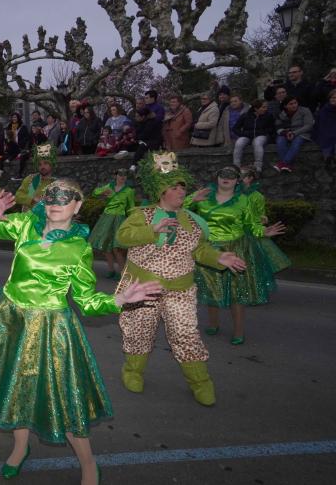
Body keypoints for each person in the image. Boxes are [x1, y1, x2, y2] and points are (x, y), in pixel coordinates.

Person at [0, 180, 162, 483]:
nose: (56, 203)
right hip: (9, 317)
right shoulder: (26, 224)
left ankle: (88, 463)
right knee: (15, 387)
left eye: (65, 198)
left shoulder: (79, 248)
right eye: (51, 197)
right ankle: (20, 448)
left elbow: (86, 301)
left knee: (63, 396)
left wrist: (119, 299)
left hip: (50, 327)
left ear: (77, 206)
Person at [115, 153, 246, 406]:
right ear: (161, 191)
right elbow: (122, 237)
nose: (179, 192)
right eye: (174, 187)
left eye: (182, 187)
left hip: (181, 290)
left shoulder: (193, 221)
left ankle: (201, 382)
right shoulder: (141, 215)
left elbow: (199, 250)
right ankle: (132, 371)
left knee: (185, 335)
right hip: (143, 289)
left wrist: (219, 258)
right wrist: (151, 230)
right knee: (138, 333)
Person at [187, 166, 285, 345]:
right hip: (208, 250)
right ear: (217, 177)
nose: (226, 178)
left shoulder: (243, 201)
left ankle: (238, 331)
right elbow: (178, 211)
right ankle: (213, 323)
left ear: (237, 180)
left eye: (231, 176)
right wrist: (191, 199)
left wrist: (263, 231)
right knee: (211, 287)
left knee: (236, 293)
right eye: (222, 174)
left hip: (235, 249)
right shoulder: (203, 196)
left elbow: (251, 225)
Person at [239, 166, 291, 275]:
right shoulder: (232, 194)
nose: (238, 178)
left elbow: (261, 216)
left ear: (249, 179)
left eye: (241, 176)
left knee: (251, 264)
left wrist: (261, 222)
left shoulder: (258, 197)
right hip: (235, 231)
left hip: (250, 232)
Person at [88, 168, 135, 279]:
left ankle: (123, 273)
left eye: (125, 175)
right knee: (105, 245)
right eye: (120, 174)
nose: (122, 177)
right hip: (107, 218)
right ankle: (111, 269)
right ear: (116, 176)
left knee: (117, 247)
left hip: (119, 219)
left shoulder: (129, 191)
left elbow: (131, 207)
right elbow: (94, 193)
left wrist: (133, 220)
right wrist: (103, 192)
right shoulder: (109, 186)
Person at [273, 96, 315, 173]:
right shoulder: (281, 114)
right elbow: (277, 127)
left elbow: (309, 125)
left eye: (295, 103)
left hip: (302, 133)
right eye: (291, 104)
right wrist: (286, 133)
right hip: (287, 133)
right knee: (280, 141)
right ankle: (287, 166)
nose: (294, 105)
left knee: (297, 142)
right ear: (286, 106)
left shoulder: (305, 110)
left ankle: (283, 163)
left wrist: (294, 133)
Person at [232, 99, 275, 173]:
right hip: (248, 135)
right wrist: (244, 133)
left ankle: (258, 166)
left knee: (257, 142)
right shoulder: (245, 115)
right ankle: (236, 166)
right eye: (263, 107)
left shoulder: (269, 116)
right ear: (256, 108)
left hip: (262, 135)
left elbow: (272, 129)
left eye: (266, 107)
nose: (265, 109)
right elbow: (235, 128)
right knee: (239, 142)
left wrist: (261, 132)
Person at [14, 144, 56, 212]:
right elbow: (17, 197)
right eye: (40, 164)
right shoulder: (31, 179)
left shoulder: (56, 183)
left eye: (45, 163)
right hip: (28, 219)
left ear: (52, 164)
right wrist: (32, 199)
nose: (42, 167)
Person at [315, 89, 336, 167]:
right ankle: (328, 158)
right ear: (329, 99)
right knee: (326, 138)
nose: (334, 99)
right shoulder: (325, 109)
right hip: (326, 132)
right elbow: (321, 124)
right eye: (332, 97)